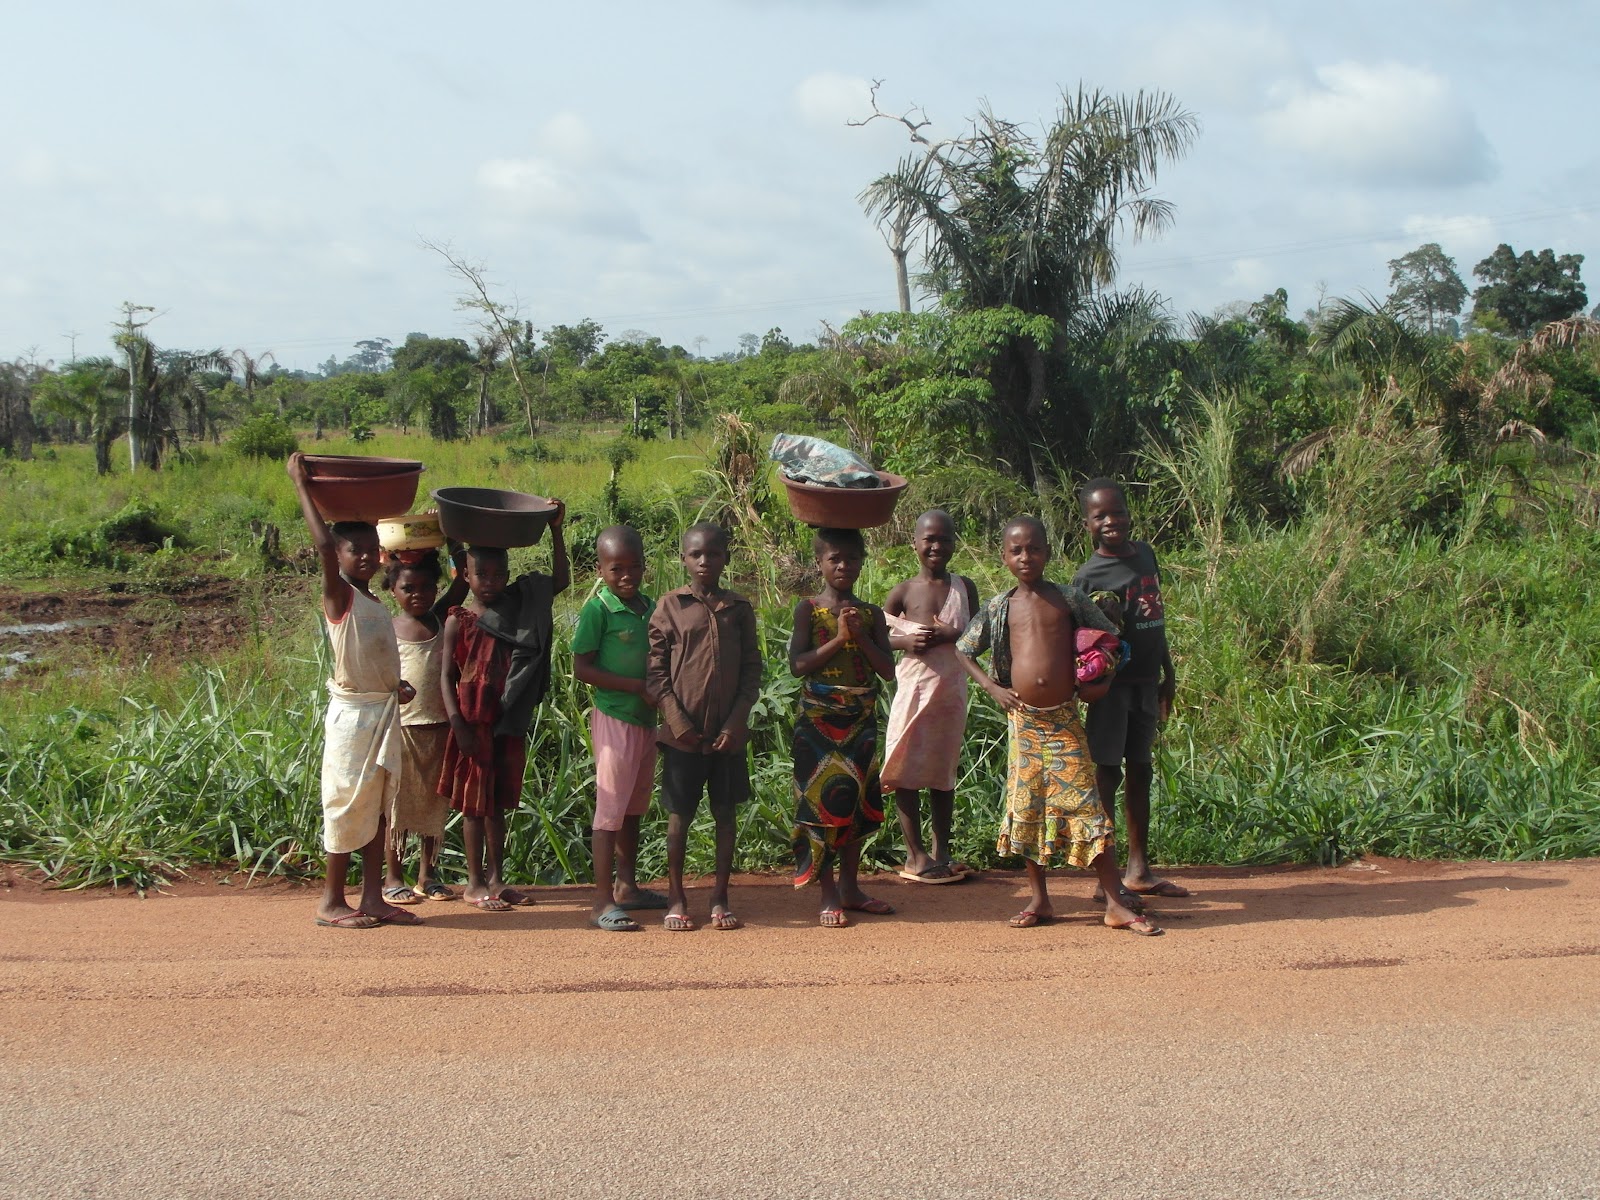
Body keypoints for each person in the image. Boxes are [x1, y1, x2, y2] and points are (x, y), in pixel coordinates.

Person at [956, 515, 1161, 935]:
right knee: (1027, 807)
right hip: (1024, 722)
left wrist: (1098, 682)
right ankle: (1040, 899)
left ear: (1047, 553)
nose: (1026, 557)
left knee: (1086, 805)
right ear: (1004, 558)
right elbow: (963, 650)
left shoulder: (1068, 599)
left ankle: (1113, 900)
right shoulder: (999, 606)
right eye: (1017, 550)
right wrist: (993, 688)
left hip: (1065, 720)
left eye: (1034, 548)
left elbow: (1112, 644)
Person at [285, 452, 422, 930]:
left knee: (377, 809)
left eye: (371, 549)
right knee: (345, 806)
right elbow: (322, 547)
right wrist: (302, 486)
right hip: (352, 719)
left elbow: (375, 657)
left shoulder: (371, 600)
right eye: (353, 550)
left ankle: (371, 897)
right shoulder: (339, 595)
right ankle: (330, 901)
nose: (364, 556)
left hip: (380, 712)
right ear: (338, 558)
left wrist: (396, 685)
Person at [438, 502, 568, 911]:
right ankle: (473, 883)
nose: (489, 583)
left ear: (508, 576)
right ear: (466, 576)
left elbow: (560, 580)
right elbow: (445, 676)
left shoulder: (517, 603)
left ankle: (496, 878)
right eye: (481, 575)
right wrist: (456, 723)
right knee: (474, 805)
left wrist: (556, 531)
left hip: (506, 715)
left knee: (497, 803)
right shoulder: (458, 618)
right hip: (472, 719)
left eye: (497, 575)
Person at [1072, 478, 1189, 901]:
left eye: (1117, 512)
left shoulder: (1145, 554)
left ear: (1128, 513)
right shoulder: (1087, 576)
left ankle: (1139, 868)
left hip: (1146, 683)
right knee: (1107, 772)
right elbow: (1081, 640)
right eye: (1100, 516)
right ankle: (1108, 878)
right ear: (1087, 524)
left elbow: (1156, 620)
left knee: (1141, 768)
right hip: (1112, 689)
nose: (1111, 521)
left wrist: (1167, 671)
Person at [645, 522, 761, 932]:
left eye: (713, 554)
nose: (705, 561)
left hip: (727, 735)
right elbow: (656, 674)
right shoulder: (670, 606)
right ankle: (677, 896)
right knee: (680, 817)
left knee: (725, 814)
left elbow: (751, 670)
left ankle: (720, 895)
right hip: (683, 736)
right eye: (696, 554)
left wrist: (736, 721)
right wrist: (677, 722)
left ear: (726, 557)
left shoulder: (739, 608)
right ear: (684, 559)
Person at [789, 526, 897, 928]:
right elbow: (797, 665)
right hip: (818, 723)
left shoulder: (871, 614)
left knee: (855, 805)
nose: (843, 566)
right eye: (834, 558)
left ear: (861, 563)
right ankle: (828, 890)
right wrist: (838, 639)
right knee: (822, 808)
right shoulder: (808, 609)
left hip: (860, 720)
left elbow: (887, 670)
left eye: (851, 558)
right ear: (819, 563)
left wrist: (861, 636)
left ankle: (851, 887)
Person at [572, 524, 667, 932]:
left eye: (634, 567)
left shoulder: (650, 608)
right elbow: (582, 668)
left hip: (646, 720)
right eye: (616, 569)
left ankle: (627, 886)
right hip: (616, 718)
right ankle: (600, 901)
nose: (626, 576)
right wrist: (635, 687)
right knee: (609, 810)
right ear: (601, 570)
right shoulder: (599, 610)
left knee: (633, 808)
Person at [881, 509, 980, 884]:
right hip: (914, 689)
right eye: (929, 539)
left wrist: (952, 634)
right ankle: (915, 854)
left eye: (944, 539)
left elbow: (978, 633)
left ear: (954, 543)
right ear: (915, 544)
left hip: (950, 693)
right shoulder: (904, 591)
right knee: (904, 766)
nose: (936, 546)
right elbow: (879, 638)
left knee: (942, 771)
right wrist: (906, 640)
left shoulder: (964, 587)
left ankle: (942, 852)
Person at [380, 544, 468, 906]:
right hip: (403, 729)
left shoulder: (440, 620)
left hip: (440, 727)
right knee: (397, 807)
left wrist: (451, 539)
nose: (418, 595)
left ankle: (427, 876)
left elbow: (462, 580)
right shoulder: (388, 628)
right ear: (392, 591)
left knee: (435, 806)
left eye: (426, 587)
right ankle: (393, 877)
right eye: (408, 589)